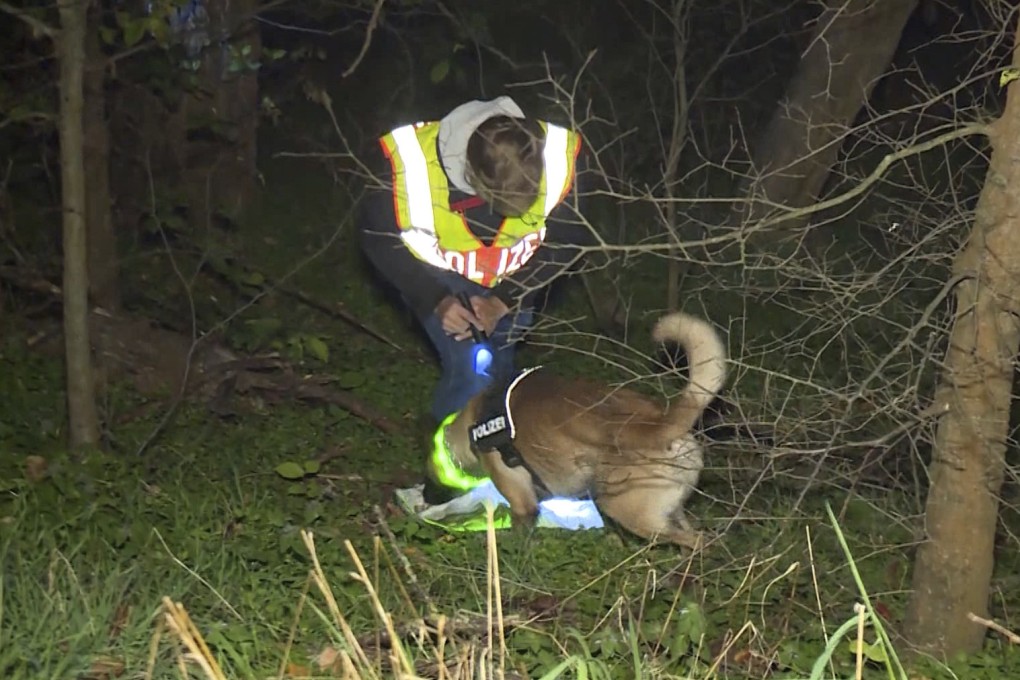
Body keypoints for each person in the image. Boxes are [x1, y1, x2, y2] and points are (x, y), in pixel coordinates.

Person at [358, 96, 594, 496]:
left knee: (502, 374)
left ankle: (504, 463)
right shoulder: (413, 167)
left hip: (517, 279)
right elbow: (376, 239)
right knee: (471, 370)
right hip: (441, 280)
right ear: (471, 176)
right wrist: (436, 299)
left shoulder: (556, 158)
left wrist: (507, 298)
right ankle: (444, 476)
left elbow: (571, 237)